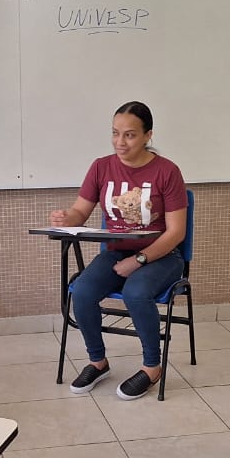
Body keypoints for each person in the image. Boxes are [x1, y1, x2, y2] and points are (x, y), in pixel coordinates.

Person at [49, 101, 188, 401]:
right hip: (115, 254)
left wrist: (138, 260)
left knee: (136, 293)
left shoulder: (167, 171)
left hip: (162, 256)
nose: (120, 142)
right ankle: (98, 362)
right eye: (115, 133)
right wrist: (66, 218)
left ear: (148, 135)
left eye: (130, 135)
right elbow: (80, 212)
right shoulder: (101, 167)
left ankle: (152, 367)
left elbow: (176, 233)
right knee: (82, 291)